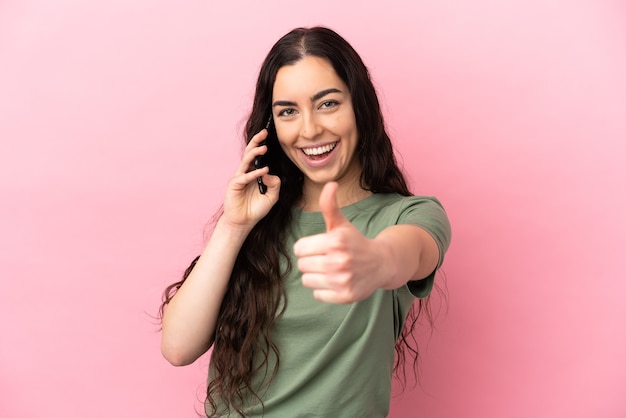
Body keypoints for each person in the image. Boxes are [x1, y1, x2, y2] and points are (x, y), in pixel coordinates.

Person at [159, 26, 451, 418]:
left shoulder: (407, 215)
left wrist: (375, 261)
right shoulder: (260, 217)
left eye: (328, 103)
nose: (310, 129)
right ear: (272, 127)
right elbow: (178, 347)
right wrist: (233, 227)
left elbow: (410, 251)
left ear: (360, 107)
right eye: (288, 112)